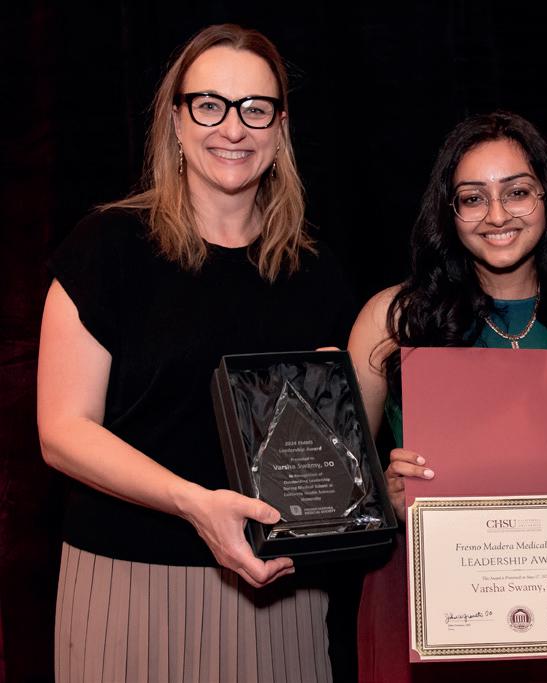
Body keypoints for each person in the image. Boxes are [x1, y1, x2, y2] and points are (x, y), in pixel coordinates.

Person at [37, 24, 354, 681]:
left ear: (280, 128)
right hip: (128, 586)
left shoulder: (315, 272)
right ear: (176, 121)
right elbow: (62, 432)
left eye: (255, 108)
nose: (233, 128)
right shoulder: (106, 247)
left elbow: (327, 448)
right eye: (210, 105)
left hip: (279, 593)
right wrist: (193, 502)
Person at [348, 111, 547, 682]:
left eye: (518, 192)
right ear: (449, 213)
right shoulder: (393, 319)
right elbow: (339, 493)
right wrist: (384, 494)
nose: (497, 215)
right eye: (473, 198)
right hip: (422, 602)